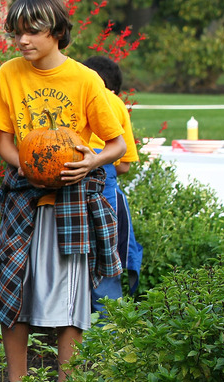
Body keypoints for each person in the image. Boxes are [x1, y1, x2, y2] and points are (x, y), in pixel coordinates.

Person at [0, 0, 126, 382]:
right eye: (17, 33)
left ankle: (68, 378)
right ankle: (16, 379)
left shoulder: (84, 79)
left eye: (32, 32)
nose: (22, 41)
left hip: (71, 203)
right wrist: (31, 168)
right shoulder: (9, 73)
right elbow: (4, 144)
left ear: (58, 31)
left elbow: (117, 144)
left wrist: (91, 161)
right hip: (23, 198)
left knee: (71, 303)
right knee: (12, 291)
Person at [83, 56, 143, 312]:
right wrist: (102, 160)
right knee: (106, 258)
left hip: (62, 186)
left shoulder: (77, 93)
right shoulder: (116, 103)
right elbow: (125, 164)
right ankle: (107, 331)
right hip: (105, 193)